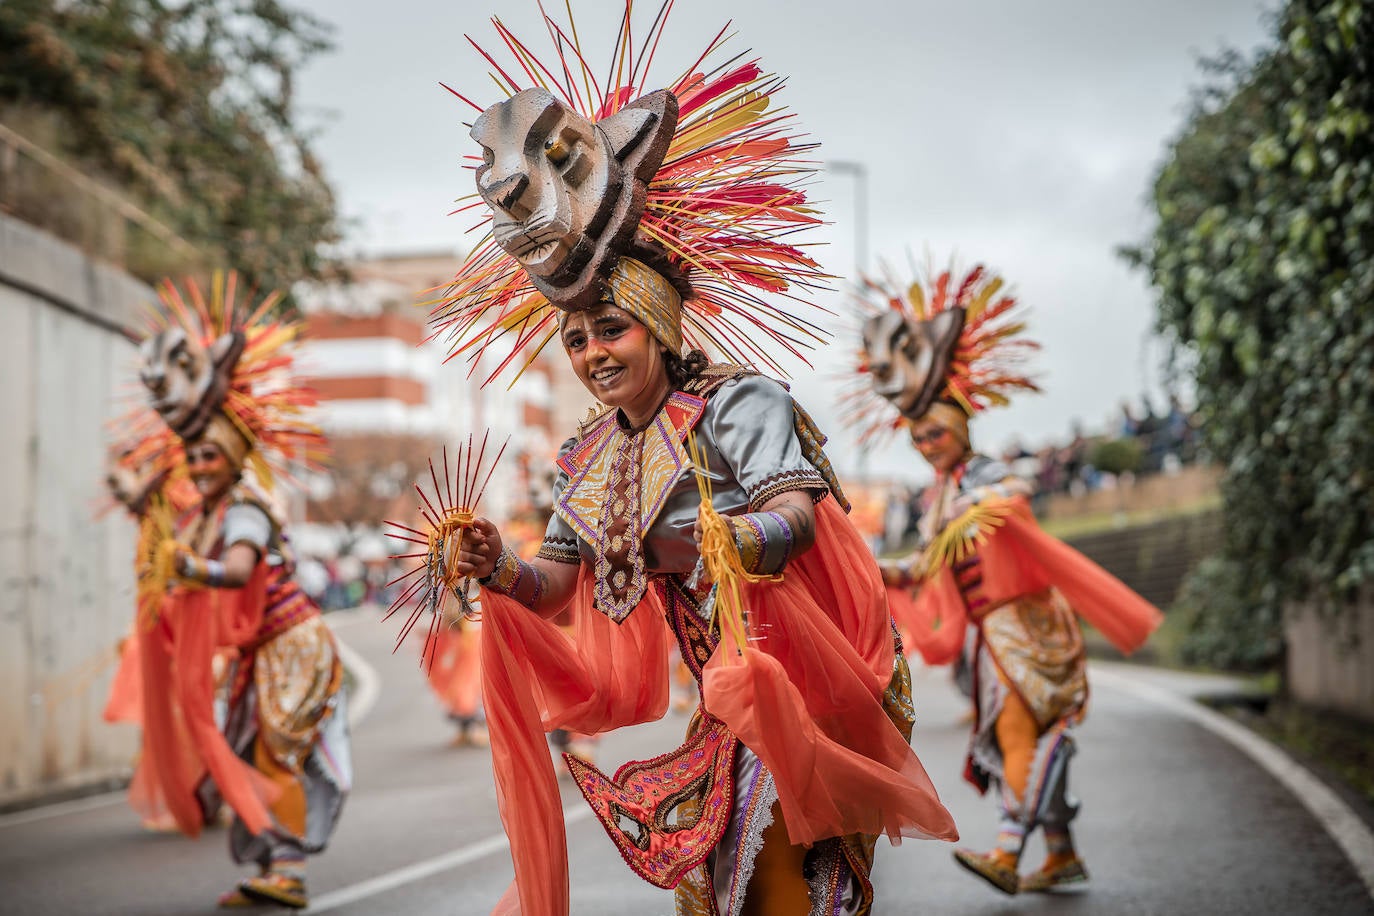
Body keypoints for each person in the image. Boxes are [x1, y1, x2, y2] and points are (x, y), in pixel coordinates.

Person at [405, 9, 958, 914]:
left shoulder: (739, 403)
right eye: (575, 341)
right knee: (721, 887)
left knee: (766, 873)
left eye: (610, 330)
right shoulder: (588, 452)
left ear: (658, 325)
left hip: (805, 679)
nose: (591, 355)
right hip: (725, 697)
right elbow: (556, 583)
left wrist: (726, 533)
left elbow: (794, 517)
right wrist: (490, 564)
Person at [852, 261, 1163, 896]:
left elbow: (1013, 496)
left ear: (962, 422)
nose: (928, 445)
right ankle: (1059, 853)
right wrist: (875, 569)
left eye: (936, 431)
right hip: (993, 634)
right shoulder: (942, 495)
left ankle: (1007, 849)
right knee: (1023, 736)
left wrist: (977, 509)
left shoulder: (984, 477)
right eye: (917, 439)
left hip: (1022, 623)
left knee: (1019, 732)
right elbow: (926, 564)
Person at [112, 273, 349, 909]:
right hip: (257, 654)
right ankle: (277, 861)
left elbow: (238, 573)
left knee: (273, 758)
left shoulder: (244, 508)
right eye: (193, 460)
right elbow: (163, 528)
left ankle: (290, 870)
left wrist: (190, 570)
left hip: (291, 646)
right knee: (248, 754)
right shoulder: (208, 513)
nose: (198, 467)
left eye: (209, 458)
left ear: (233, 456)